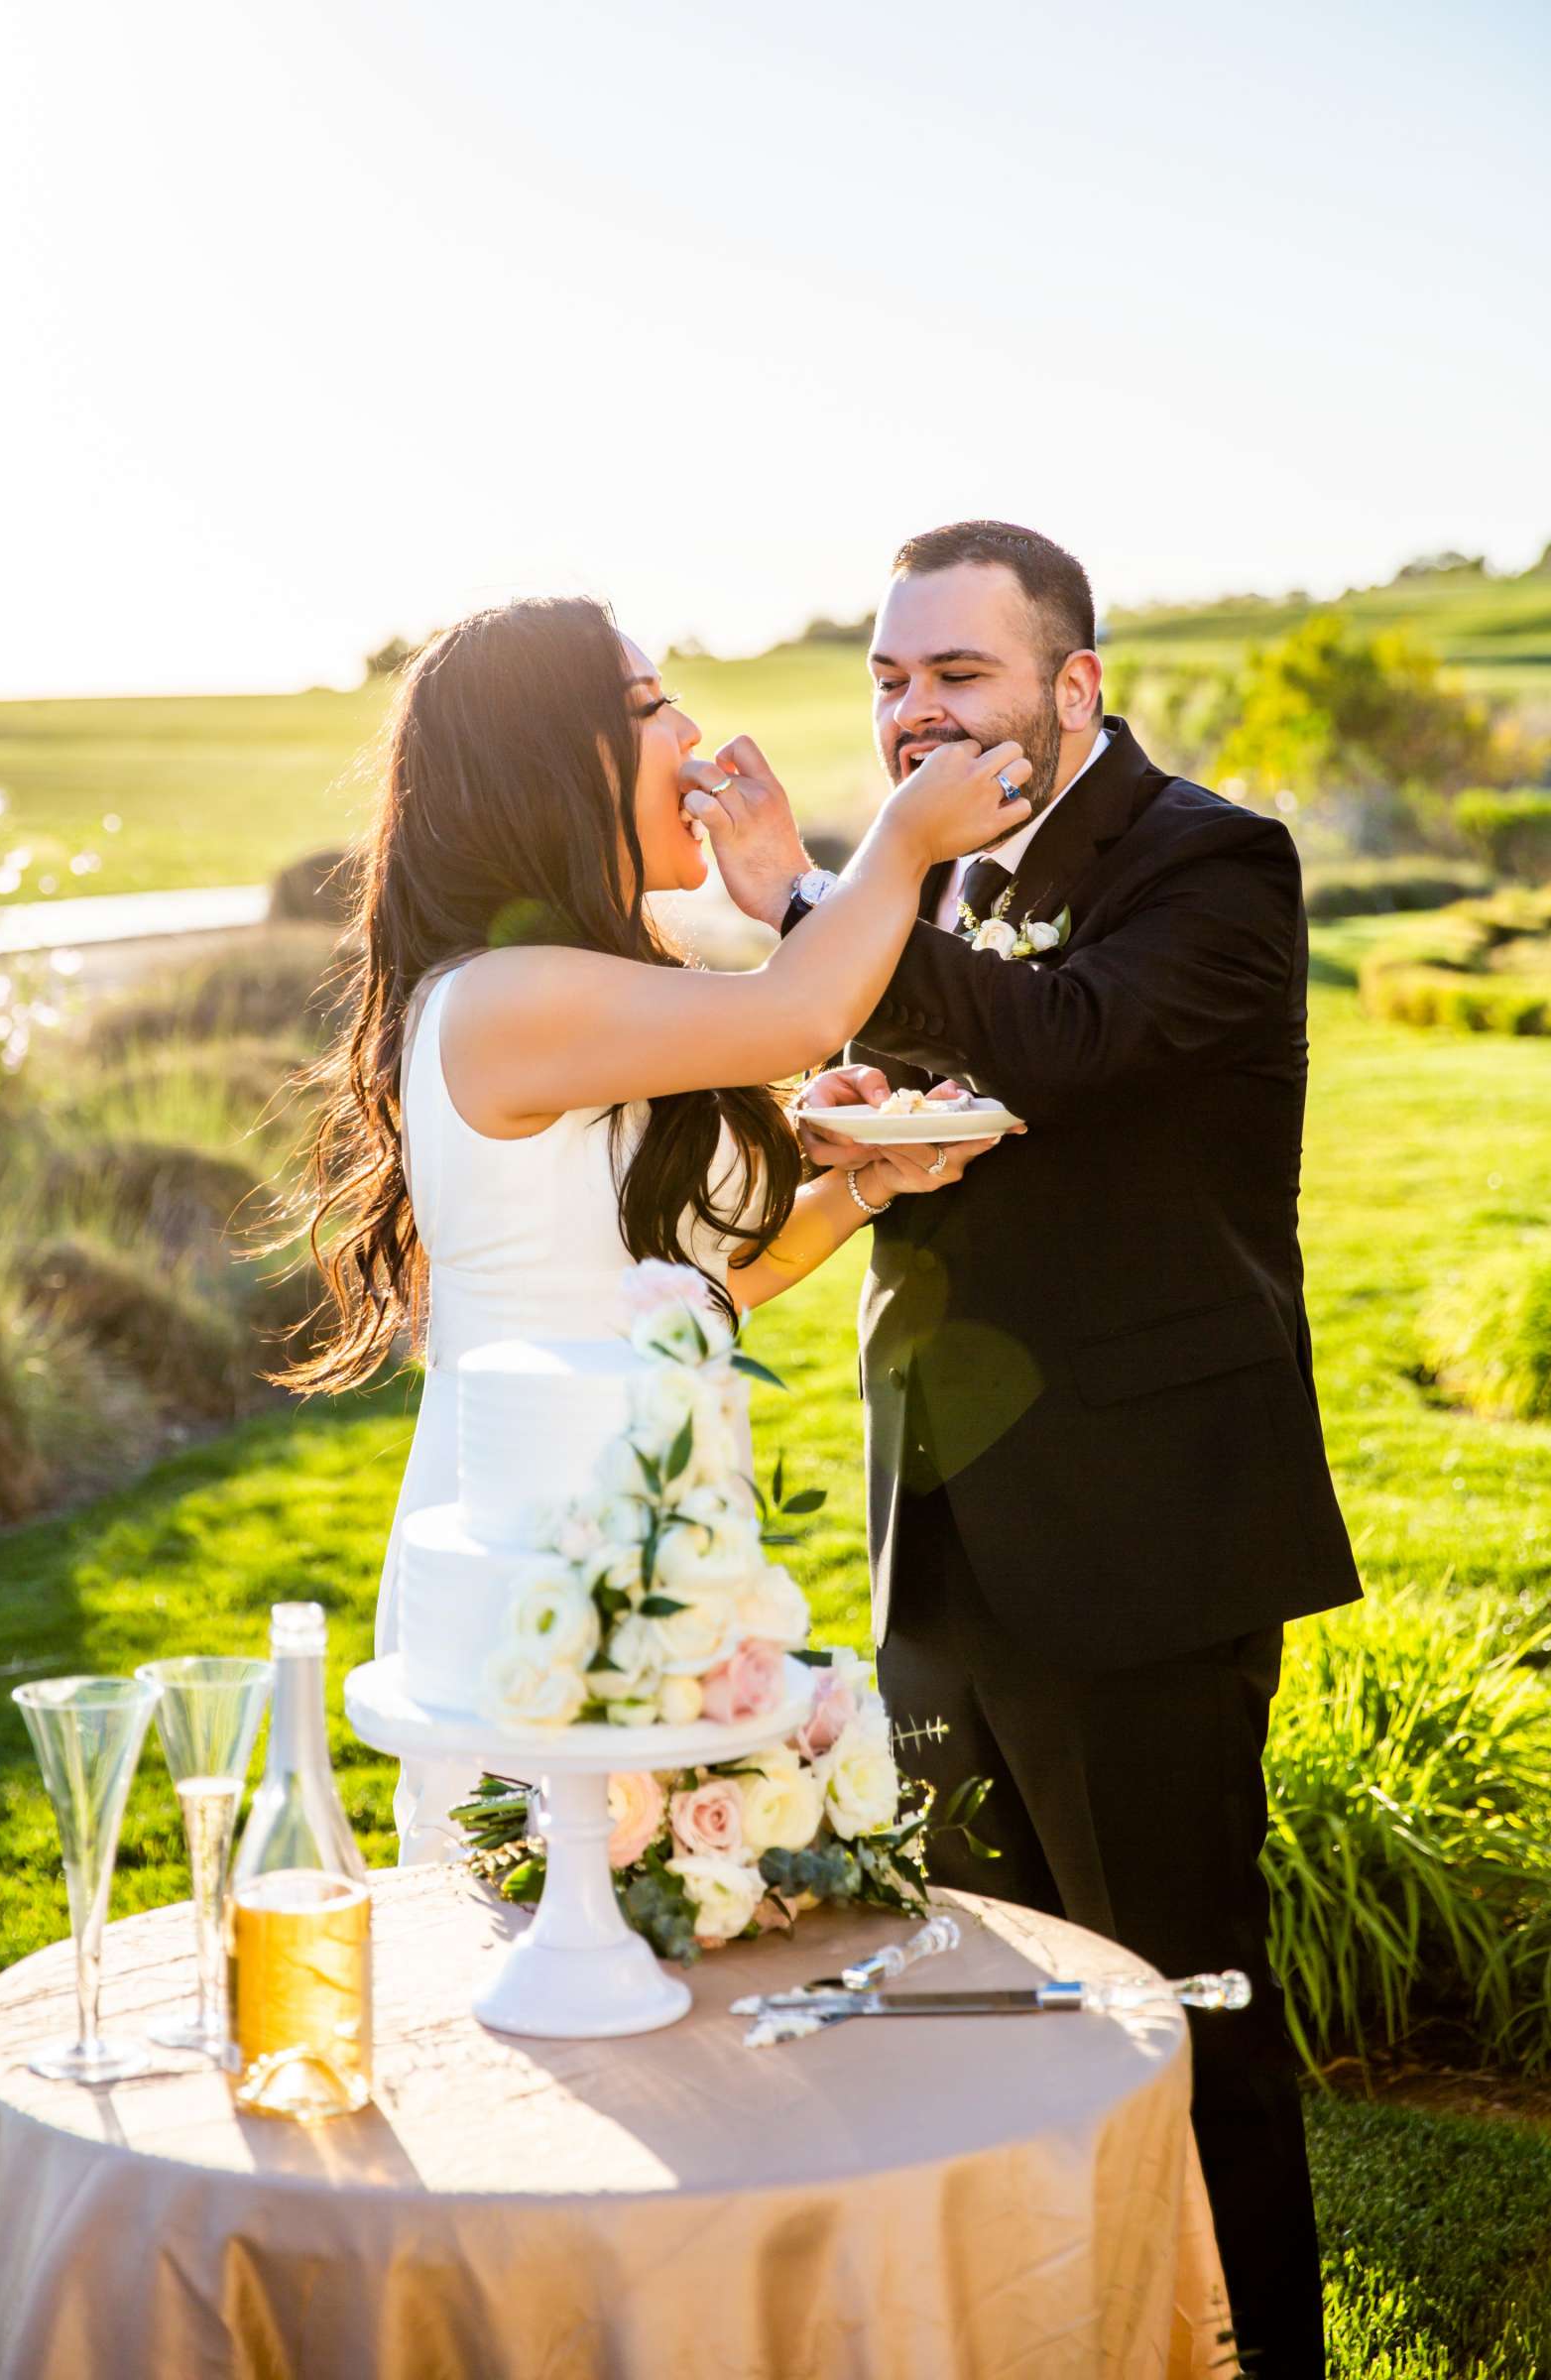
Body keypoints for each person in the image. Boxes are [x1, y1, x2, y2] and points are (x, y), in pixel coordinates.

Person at [701, 520, 1363, 2379]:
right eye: (892, 682)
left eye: (959, 676)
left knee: (1178, 2006)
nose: (916, 715)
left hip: (1144, 1542)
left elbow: (1064, 1048)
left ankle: (1259, 2358)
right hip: (952, 1535)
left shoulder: (1213, 863)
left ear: (1076, 688)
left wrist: (815, 898)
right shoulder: (951, 875)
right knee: (989, 2000)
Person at [279, 592, 1016, 1858]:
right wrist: (897, 841)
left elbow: (690, 1291)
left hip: (664, 1527)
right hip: (538, 1556)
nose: (688, 731)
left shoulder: (590, 982)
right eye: (644, 705)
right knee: (557, 1939)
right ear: (547, 766)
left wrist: (854, 1188)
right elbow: (797, 1010)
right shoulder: (503, 998)